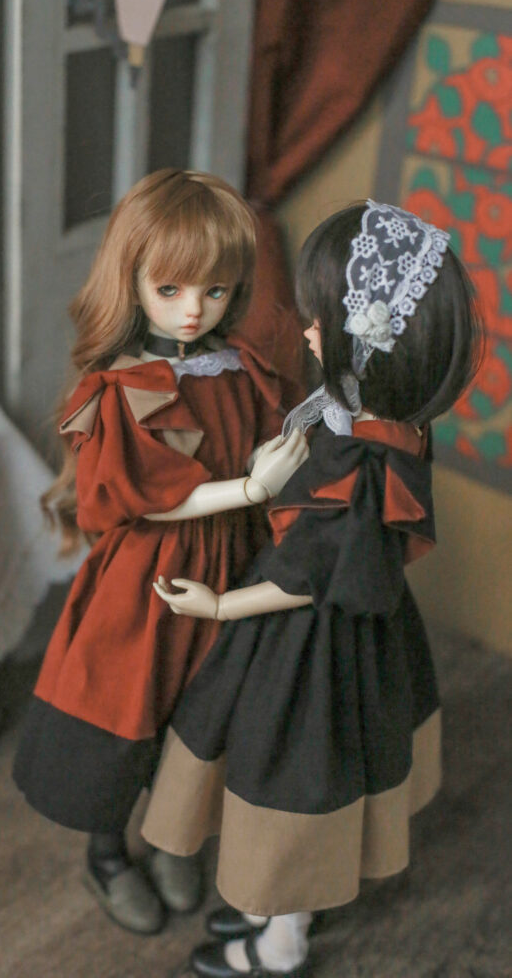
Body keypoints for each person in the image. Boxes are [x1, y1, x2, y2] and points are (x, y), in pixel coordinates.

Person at [147, 199, 482, 977]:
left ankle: (281, 940)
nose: (305, 333)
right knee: (288, 772)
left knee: (290, 778)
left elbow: (313, 572)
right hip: (349, 623)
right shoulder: (374, 419)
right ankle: (270, 904)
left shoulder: (361, 456)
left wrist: (221, 604)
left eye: (321, 322)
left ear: (369, 339)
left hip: (311, 638)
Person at [12, 169, 308, 936]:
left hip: (230, 567)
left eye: (213, 290)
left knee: (200, 714)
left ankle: (171, 833)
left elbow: (265, 443)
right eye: (170, 289)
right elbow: (145, 495)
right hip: (145, 582)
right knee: (125, 713)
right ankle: (106, 852)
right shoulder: (124, 388)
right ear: (133, 279)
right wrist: (249, 487)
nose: (192, 309)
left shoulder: (239, 369)